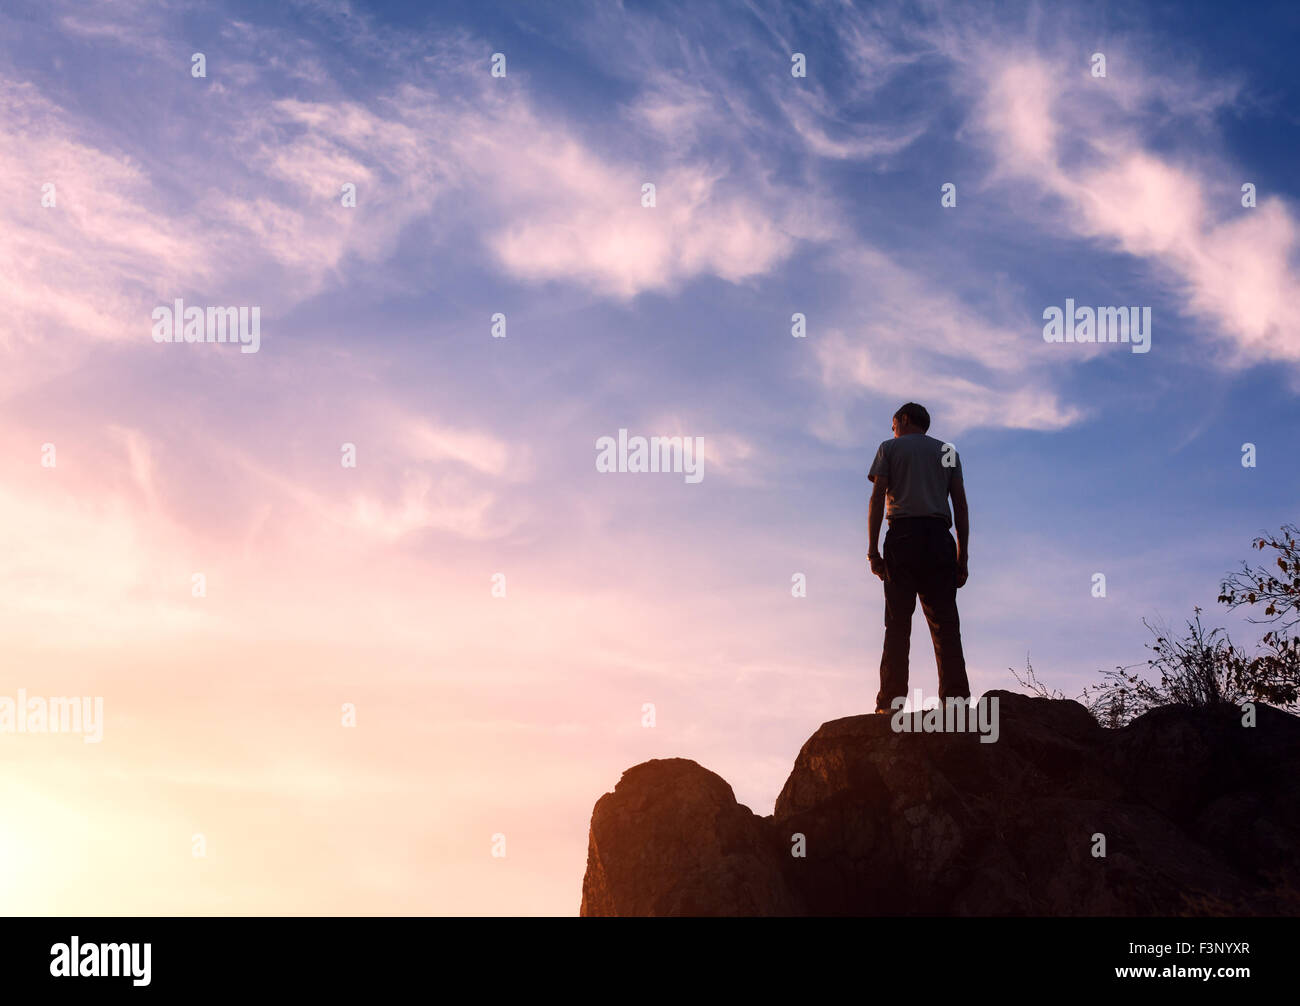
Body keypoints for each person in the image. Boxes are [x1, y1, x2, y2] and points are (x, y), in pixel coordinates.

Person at [867, 403, 971, 713]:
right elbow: (961, 506)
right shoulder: (947, 451)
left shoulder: (889, 448)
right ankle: (955, 703)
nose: (892, 429)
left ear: (903, 419)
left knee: (897, 625)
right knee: (946, 625)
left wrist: (873, 550)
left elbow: (876, 498)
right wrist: (962, 557)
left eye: (893, 423)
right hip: (939, 538)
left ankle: (890, 704)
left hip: (903, 536)